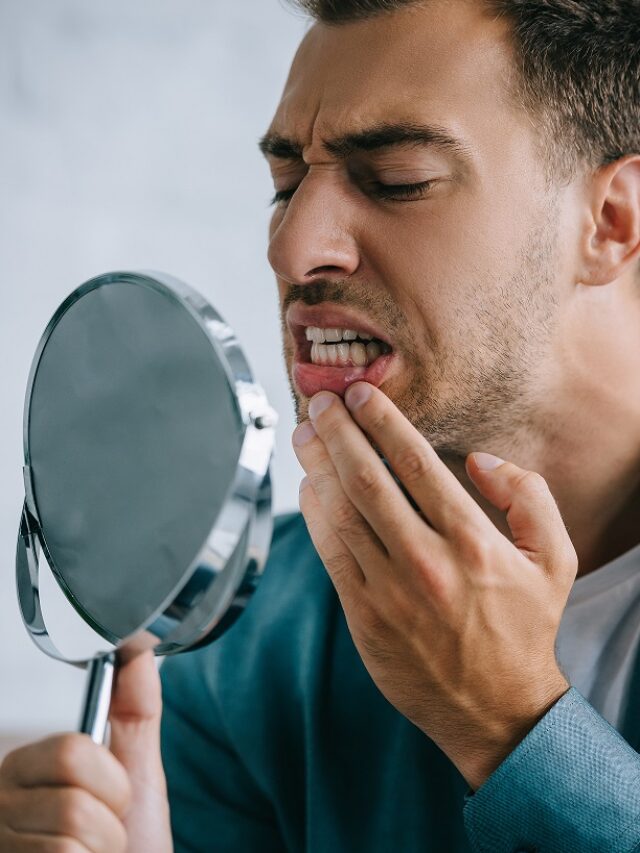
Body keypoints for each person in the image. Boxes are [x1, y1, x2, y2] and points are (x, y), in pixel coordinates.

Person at [1, 0, 640, 850]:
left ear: (614, 220)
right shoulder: (242, 644)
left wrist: (511, 722)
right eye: (284, 185)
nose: (294, 246)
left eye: (397, 178)